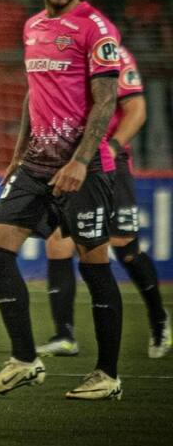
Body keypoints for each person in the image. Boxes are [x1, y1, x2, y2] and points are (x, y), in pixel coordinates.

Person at [0, 0, 124, 400]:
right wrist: (18, 153)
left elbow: (106, 101)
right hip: (36, 164)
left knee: (94, 266)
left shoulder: (96, 28)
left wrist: (80, 160)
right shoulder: (33, 26)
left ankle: (107, 375)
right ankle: (24, 360)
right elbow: (32, 92)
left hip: (85, 168)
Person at [38, 46, 171, 359]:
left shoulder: (113, 55)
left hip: (109, 161)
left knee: (124, 246)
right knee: (58, 241)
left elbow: (137, 109)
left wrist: (111, 146)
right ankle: (64, 335)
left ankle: (159, 320)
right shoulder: (60, 54)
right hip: (70, 159)